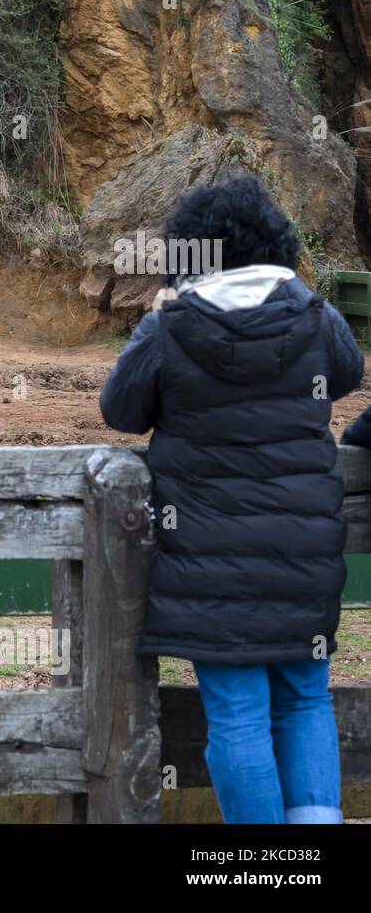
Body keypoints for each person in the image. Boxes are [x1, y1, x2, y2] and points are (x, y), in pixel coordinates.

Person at [99, 174, 363, 824]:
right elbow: (351, 374)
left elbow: (121, 411)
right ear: (276, 243)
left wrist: (155, 320)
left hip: (208, 561)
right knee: (305, 697)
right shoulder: (316, 318)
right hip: (304, 553)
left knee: (239, 713)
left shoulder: (171, 329)